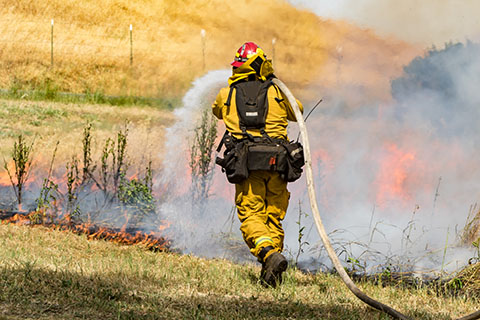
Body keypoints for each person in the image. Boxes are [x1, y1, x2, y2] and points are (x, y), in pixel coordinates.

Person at [212, 42, 303, 287]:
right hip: (278, 163)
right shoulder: (277, 92)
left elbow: (217, 111)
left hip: (247, 164)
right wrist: (272, 80)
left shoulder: (226, 94)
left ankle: (268, 255)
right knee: (273, 216)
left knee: (252, 213)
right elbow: (298, 111)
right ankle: (271, 271)